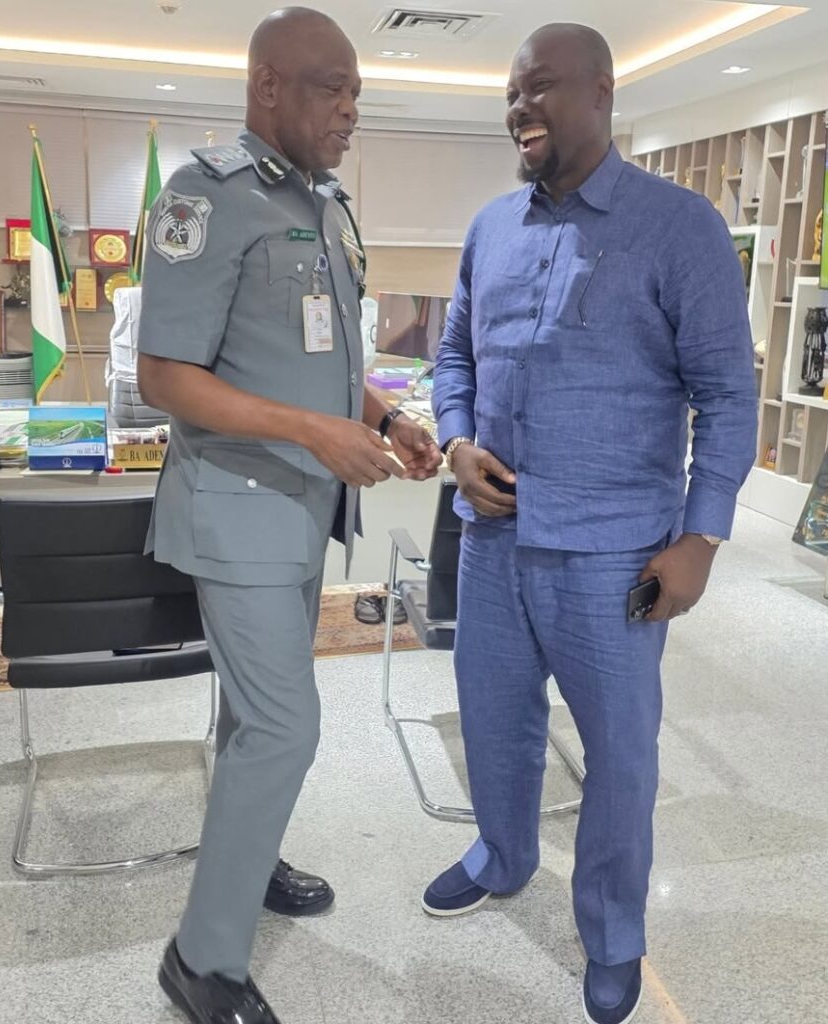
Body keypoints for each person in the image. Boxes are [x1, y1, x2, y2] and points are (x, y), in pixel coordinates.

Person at [428, 22, 757, 1024]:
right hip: (491, 542)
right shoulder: (489, 228)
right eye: (510, 94)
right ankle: (502, 853)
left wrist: (700, 537)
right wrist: (454, 441)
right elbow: (454, 355)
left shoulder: (679, 226)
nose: (518, 109)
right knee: (492, 722)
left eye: (538, 88)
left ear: (602, 93)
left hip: (615, 554)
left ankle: (613, 933)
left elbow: (727, 394)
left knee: (618, 757)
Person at [137, 8, 441, 1023]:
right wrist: (314, 433)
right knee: (285, 724)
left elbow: (324, 356)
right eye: (330, 89)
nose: (350, 110)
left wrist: (386, 416)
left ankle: (248, 853)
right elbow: (165, 376)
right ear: (267, 86)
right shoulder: (204, 196)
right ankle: (202, 959)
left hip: (303, 512)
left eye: (356, 92)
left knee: (249, 715)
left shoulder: (321, 203)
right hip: (237, 508)